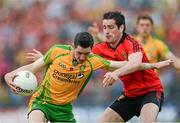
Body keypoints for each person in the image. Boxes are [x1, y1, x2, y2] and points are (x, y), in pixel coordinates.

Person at [4, 31, 171, 122]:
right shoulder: (57, 51)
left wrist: (152, 65)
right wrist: (10, 74)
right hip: (42, 102)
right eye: (79, 53)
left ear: (91, 50)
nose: (82, 57)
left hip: (64, 110)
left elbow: (126, 65)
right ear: (72, 47)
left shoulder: (93, 61)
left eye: (86, 53)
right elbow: (33, 67)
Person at [90, 11, 170, 122]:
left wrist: (116, 73)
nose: (107, 31)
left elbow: (135, 63)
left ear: (121, 27)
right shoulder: (101, 47)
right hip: (130, 94)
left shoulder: (131, 42)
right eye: (104, 27)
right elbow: (85, 56)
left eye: (111, 27)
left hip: (150, 91)